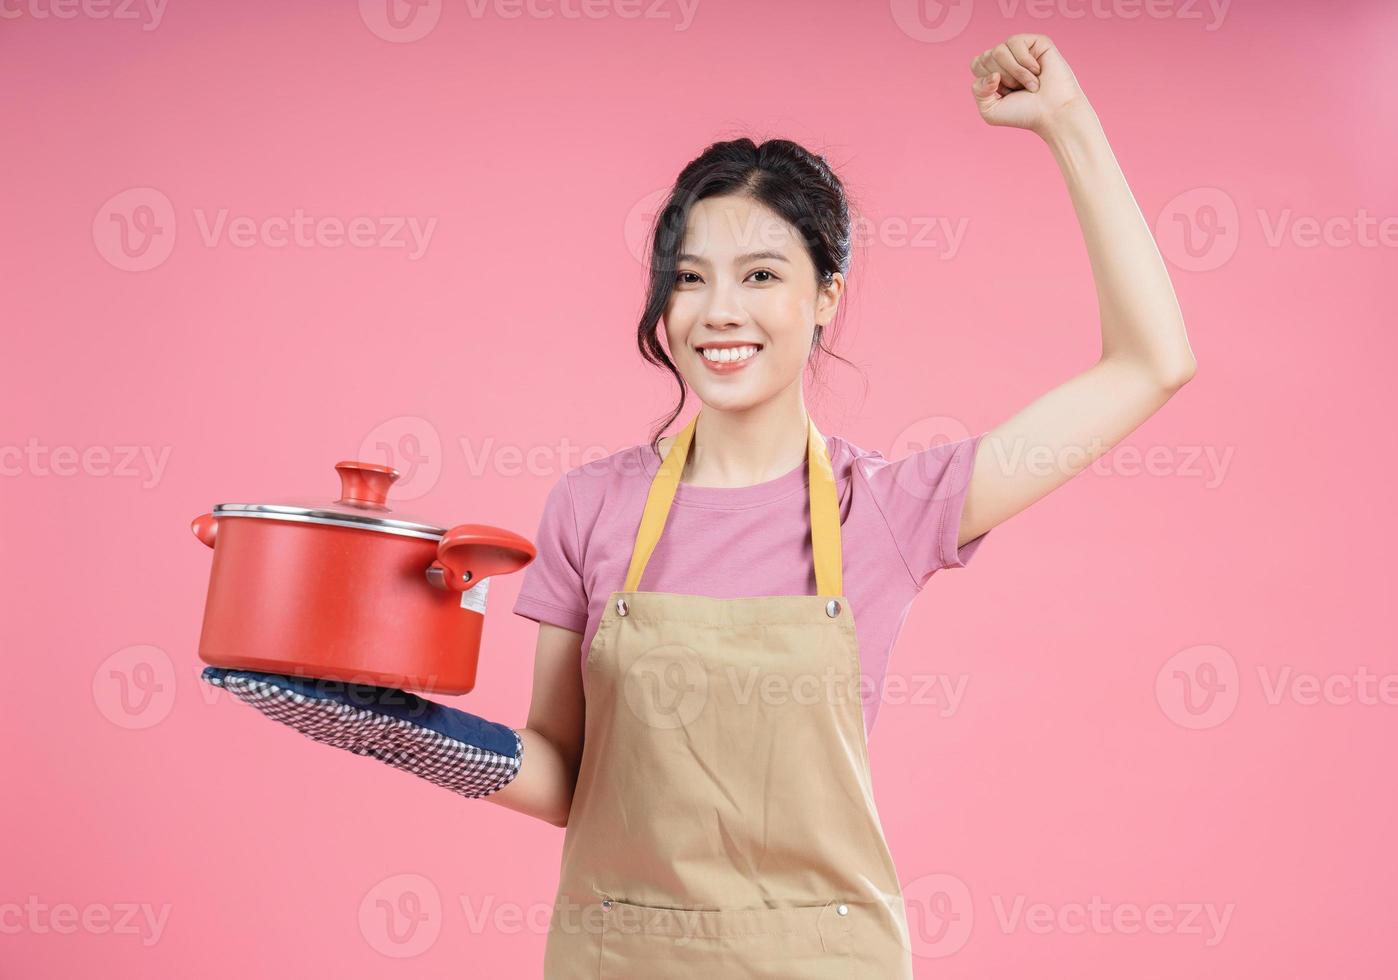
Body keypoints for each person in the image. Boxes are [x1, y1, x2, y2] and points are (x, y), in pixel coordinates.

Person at [203, 34, 1197, 977]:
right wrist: (407, 733)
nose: (718, 310)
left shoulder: (890, 508)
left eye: (761, 275)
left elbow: (1152, 362)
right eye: (689, 279)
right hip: (622, 957)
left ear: (825, 296)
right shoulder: (591, 506)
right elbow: (564, 774)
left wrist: (1067, 122)